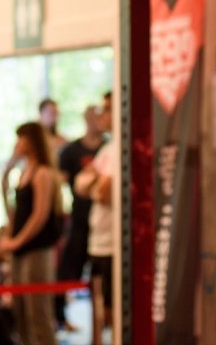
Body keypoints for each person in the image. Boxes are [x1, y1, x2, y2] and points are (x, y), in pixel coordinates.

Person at [0, 121, 63, 345]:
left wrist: (17, 242)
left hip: (37, 250)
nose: (18, 143)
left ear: (31, 141)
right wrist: (7, 171)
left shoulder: (42, 173)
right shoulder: (24, 171)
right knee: (21, 313)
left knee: (38, 314)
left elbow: (40, 215)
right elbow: (14, 210)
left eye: (21, 138)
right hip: (22, 250)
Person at [55, 103, 107, 332]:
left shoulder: (108, 149)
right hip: (79, 221)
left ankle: (100, 325)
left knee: (101, 279)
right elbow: (69, 185)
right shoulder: (71, 151)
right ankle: (60, 317)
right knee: (67, 272)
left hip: (103, 225)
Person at [75, 92, 116, 345]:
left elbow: (101, 191)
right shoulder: (106, 149)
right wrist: (94, 182)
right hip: (98, 240)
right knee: (99, 312)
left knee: (112, 312)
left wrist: (93, 182)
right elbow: (80, 184)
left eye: (107, 109)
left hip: (113, 244)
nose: (102, 115)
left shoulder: (117, 149)